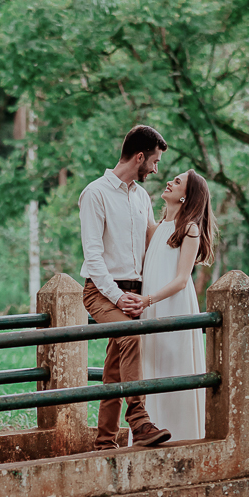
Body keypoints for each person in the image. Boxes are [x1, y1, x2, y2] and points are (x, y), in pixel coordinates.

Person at [79, 124, 171, 452]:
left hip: (134, 291)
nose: (156, 169)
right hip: (101, 291)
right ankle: (140, 420)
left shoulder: (142, 196)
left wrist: (184, 224)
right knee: (130, 337)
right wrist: (120, 298)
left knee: (115, 368)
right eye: (155, 162)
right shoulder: (95, 193)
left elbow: (152, 240)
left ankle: (104, 442)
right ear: (140, 156)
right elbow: (93, 257)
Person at [140, 170, 217, 442]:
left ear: (186, 196)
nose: (170, 182)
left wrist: (148, 300)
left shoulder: (189, 229)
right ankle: (151, 431)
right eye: (172, 178)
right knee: (150, 369)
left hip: (172, 306)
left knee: (174, 369)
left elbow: (182, 280)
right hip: (149, 307)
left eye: (178, 181)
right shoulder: (158, 227)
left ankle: (181, 437)